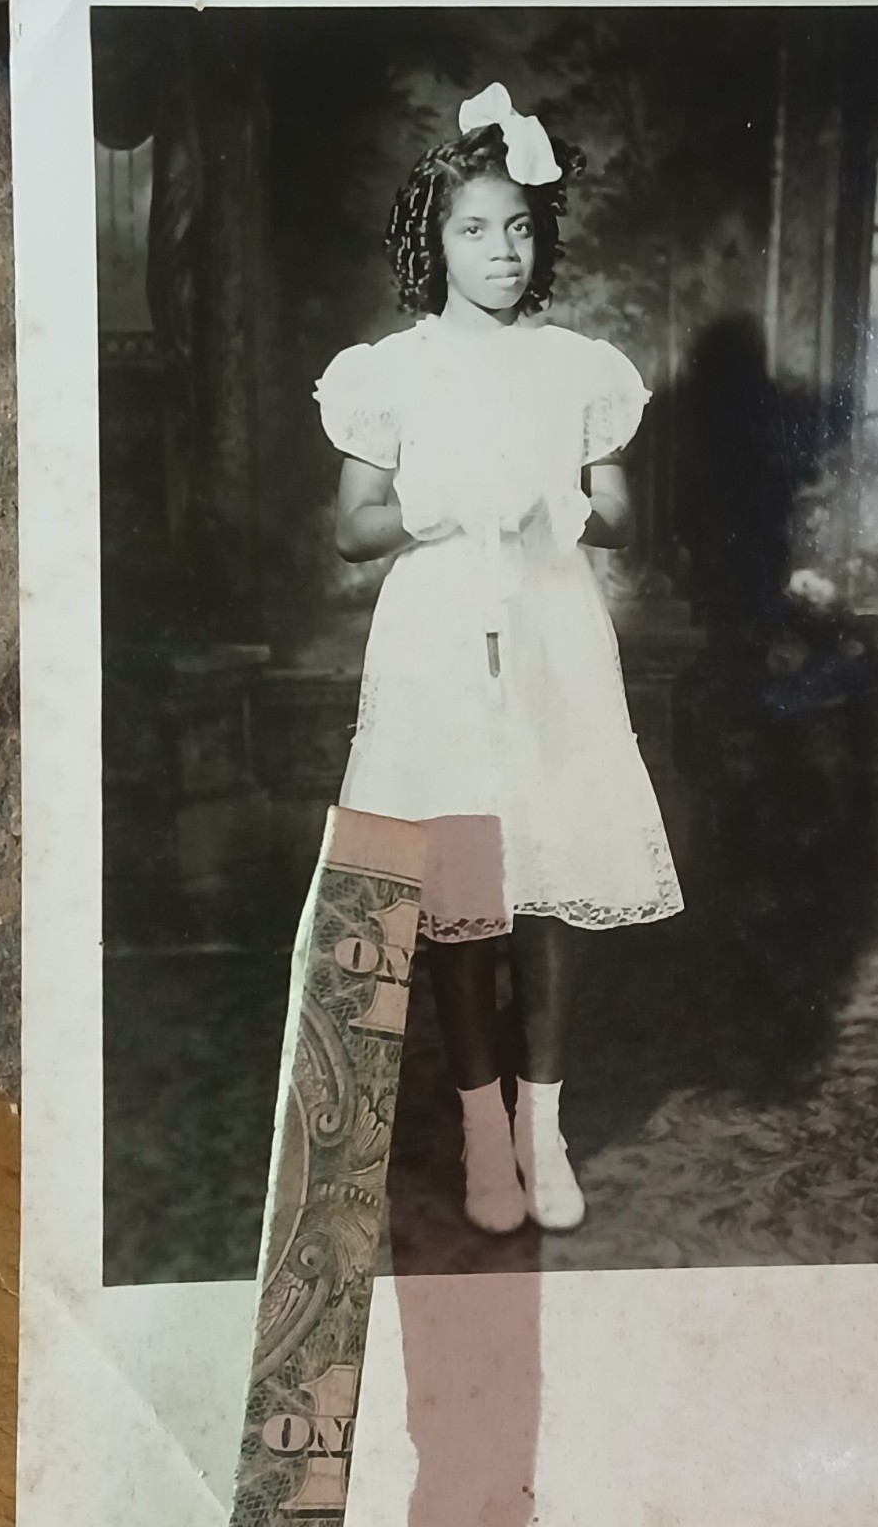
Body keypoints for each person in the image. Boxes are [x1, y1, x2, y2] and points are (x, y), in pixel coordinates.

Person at [313, 83, 683, 1237]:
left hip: (549, 635)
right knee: (465, 891)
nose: (501, 251)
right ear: (435, 239)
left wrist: (557, 502)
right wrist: (429, 505)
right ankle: (482, 1128)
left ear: (542, 237)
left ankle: (543, 1126)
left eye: (519, 227)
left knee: (550, 879)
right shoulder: (392, 370)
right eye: (475, 229)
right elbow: (352, 527)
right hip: (436, 640)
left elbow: (621, 513)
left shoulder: (577, 366)